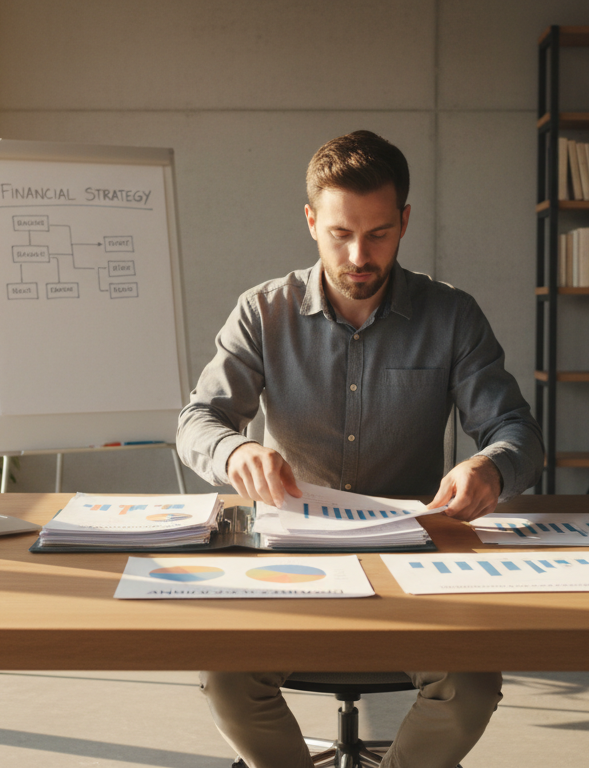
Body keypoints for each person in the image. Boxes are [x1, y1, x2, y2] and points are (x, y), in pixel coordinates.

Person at [175, 130, 544, 768]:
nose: (358, 255)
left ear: (405, 221)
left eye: (378, 234)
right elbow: (198, 420)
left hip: (415, 563)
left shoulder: (452, 316)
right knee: (227, 678)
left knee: (471, 686)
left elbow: (518, 431)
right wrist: (234, 452)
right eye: (340, 233)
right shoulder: (263, 312)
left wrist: (492, 465)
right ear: (311, 221)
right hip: (289, 560)